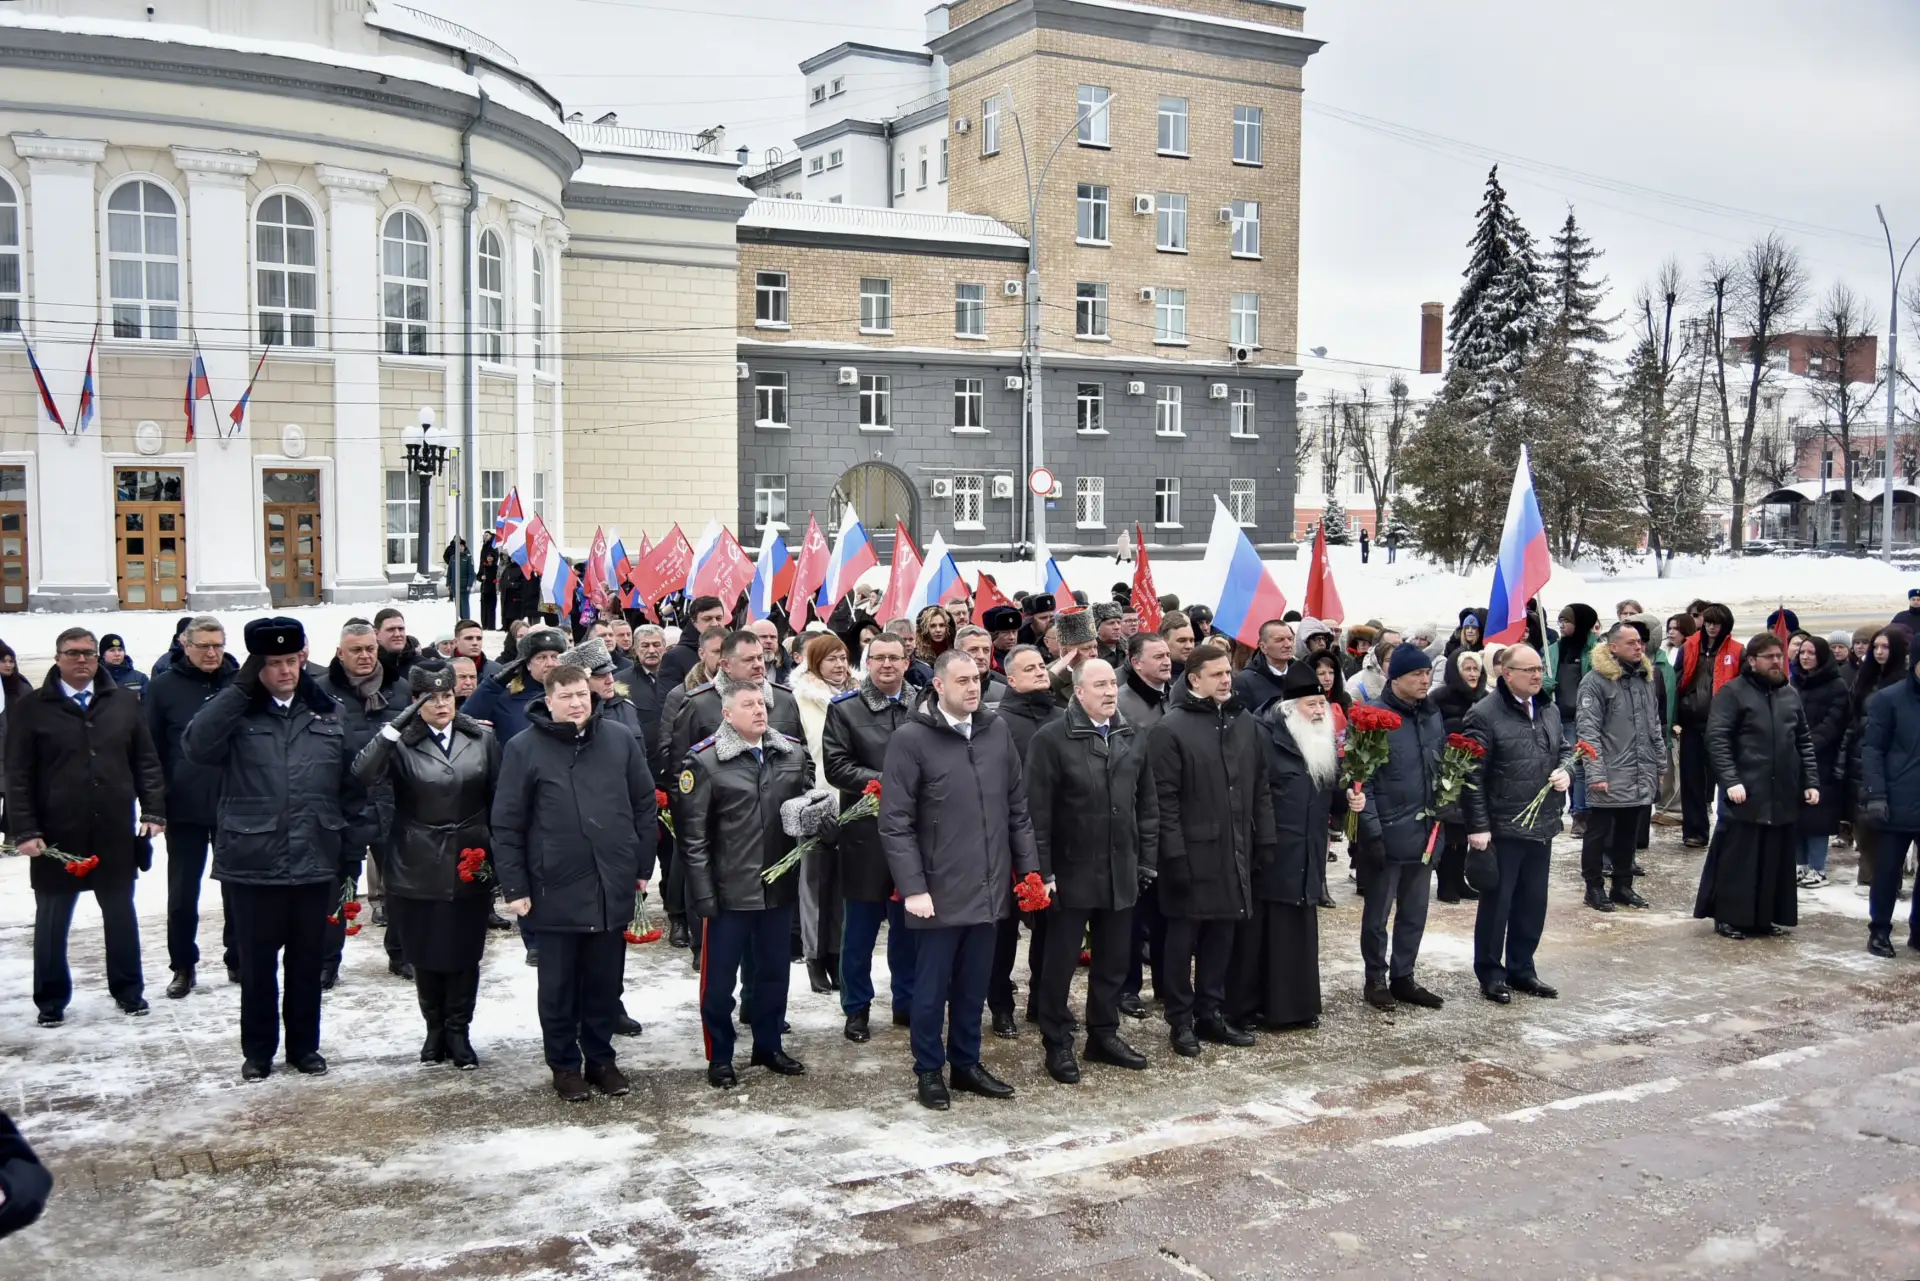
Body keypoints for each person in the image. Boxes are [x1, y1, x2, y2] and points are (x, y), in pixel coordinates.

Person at [183, 617, 372, 1079]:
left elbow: (351, 786)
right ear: (256, 667)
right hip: (254, 859)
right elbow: (196, 746)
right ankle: (258, 1051)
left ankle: (304, 1048)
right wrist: (238, 690)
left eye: (292, 660)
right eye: (273, 663)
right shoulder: (235, 712)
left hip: (315, 856)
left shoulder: (327, 712)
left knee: (307, 962)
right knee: (257, 965)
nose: (285, 671)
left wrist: (350, 848)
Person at [880, 649, 1039, 1111]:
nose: (973, 688)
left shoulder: (995, 729)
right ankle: (929, 1069)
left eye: (977, 679)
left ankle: (966, 1063)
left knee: (974, 985)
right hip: (937, 889)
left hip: (989, 885)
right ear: (938, 686)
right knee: (931, 991)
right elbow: (895, 822)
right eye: (963, 680)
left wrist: (1028, 871)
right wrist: (913, 887)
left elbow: (1016, 807)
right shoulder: (911, 739)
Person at [492, 662, 657, 1102]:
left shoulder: (618, 739)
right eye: (565, 696)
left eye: (582, 694)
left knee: (604, 982)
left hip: (611, 880)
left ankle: (601, 1060)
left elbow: (644, 803)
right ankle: (564, 1066)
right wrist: (515, 887)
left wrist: (641, 865)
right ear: (548, 701)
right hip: (554, 885)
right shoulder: (524, 747)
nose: (576, 703)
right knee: (559, 987)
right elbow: (506, 822)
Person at [6, 627, 166, 1026]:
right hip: (56, 835)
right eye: (73, 653)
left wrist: (153, 811)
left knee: (120, 914)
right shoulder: (31, 708)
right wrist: (24, 830)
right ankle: (50, 1000)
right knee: (52, 919)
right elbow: (17, 774)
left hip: (113, 829)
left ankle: (128, 989)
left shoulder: (123, 702)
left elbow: (145, 761)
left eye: (89, 653)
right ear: (57, 658)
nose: (82, 660)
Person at [351, 663, 501, 1069]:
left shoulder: (481, 738)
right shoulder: (400, 741)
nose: (441, 705)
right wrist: (392, 730)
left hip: (470, 856)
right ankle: (435, 1030)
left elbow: (499, 798)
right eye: (430, 699)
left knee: (465, 951)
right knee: (425, 949)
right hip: (416, 858)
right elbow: (362, 774)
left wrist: (498, 856)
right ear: (415, 703)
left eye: (447, 696)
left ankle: (459, 1030)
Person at [681, 683, 827, 1088]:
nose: (759, 710)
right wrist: (703, 894)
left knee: (773, 975)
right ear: (727, 714)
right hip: (729, 891)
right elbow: (694, 838)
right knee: (719, 983)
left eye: (762, 703)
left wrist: (823, 825)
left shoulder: (790, 752)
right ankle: (720, 1056)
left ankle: (768, 1045)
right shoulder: (705, 761)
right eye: (748, 705)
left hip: (778, 887)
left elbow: (805, 806)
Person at [1024, 659, 1156, 1084]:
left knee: (1114, 960)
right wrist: (1043, 873)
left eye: (1112, 683)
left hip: (1121, 868)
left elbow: (1147, 805)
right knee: (1059, 964)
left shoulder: (1132, 735)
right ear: (1078, 692)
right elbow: (1036, 814)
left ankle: (1103, 1033)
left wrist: (1146, 860)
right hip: (1070, 871)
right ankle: (1057, 1040)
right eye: (1099, 685)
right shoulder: (1051, 740)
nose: (1110, 691)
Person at [1148, 641, 1276, 1053]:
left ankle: (1210, 1013)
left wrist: (1265, 837)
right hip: (1191, 852)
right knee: (1182, 940)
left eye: (1228, 673)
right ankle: (1180, 1020)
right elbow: (1163, 801)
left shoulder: (1245, 722)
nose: (1225, 680)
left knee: (1222, 935)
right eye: (1216, 674)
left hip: (1235, 849)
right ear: (1194, 679)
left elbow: (1260, 786)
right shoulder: (1171, 728)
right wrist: (1173, 856)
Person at [1232, 663, 1354, 1031]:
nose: (1318, 712)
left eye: (1322, 704)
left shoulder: (1320, 739)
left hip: (1308, 851)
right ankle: (1248, 1008)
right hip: (1272, 852)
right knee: (1262, 935)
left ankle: (1295, 1008)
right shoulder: (1264, 737)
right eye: (1311, 705)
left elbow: (1330, 793)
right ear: (1289, 708)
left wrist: (1350, 798)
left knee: (1298, 932)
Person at [821, 632, 918, 1041]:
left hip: (913, 836)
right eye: (878, 658)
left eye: (894, 658)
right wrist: (886, 781)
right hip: (865, 836)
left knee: (909, 927)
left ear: (906, 661)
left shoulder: (924, 704)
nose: (887, 665)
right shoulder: (845, 708)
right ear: (867, 662)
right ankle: (856, 1007)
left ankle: (907, 1002)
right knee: (859, 933)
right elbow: (836, 766)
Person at [1462, 644, 1569, 1004]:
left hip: (1542, 823)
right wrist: (1478, 827)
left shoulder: (1548, 707)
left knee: (1532, 902)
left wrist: (1566, 770)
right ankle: (1491, 973)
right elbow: (1472, 775)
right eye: (1529, 670)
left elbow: (1563, 747)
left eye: (1539, 669)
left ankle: (1522, 968)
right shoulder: (1484, 714)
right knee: (1498, 904)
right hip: (1504, 825)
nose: (1538, 675)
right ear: (1506, 674)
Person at [1694, 634, 1816, 940]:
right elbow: (1717, 739)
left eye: (1779, 656)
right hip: (1746, 790)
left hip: (1782, 792)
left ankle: (1764, 917)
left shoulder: (1789, 694)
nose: (1777, 661)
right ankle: (1728, 916)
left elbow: (1803, 741)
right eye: (1769, 657)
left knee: (1773, 859)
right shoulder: (1733, 693)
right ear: (1752, 661)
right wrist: (1731, 779)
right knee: (1740, 859)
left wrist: (1810, 781)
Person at [146, 616, 239, 998]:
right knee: (183, 893)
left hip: (234, 803)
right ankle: (183, 965)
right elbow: (150, 751)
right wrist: (154, 804)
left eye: (218, 644)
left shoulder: (240, 683)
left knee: (238, 889)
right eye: (203, 646)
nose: (212, 652)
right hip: (183, 806)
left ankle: (239, 958)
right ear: (185, 646)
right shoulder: (163, 687)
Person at [1352, 644, 1447, 1011]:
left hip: (1425, 833)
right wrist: (1373, 831)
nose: (1425, 680)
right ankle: (1375, 978)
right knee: (1378, 914)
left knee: (1414, 911)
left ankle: (1404, 976)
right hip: (1388, 832)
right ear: (1395, 678)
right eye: (1416, 674)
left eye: (1427, 673)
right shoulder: (1374, 718)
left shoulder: (1432, 715)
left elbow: (1439, 767)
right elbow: (1362, 780)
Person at [321, 622, 412, 982]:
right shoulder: (321, 692)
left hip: (393, 802)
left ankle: (402, 954)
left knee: (402, 885)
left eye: (370, 649)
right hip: (345, 805)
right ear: (339, 653)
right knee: (339, 887)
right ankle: (327, 961)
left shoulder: (400, 689)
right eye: (355, 650)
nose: (364, 656)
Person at [986, 643, 1061, 1035]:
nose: (1040, 671)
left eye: (1042, 666)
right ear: (1010, 680)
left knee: (1051, 925)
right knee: (1003, 928)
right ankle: (1000, 1005)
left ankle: (1042, 1001)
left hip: (1052, 837)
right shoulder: (995, 723)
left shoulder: (1064, 717)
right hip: (1006, 838)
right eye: (1029, 668)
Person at [1576, 622, 1665, 913]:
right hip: (1609, 771)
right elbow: (1588, 731)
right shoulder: (1595, 681)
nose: (1639, 647)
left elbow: (1654, 724)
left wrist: (1659, 763)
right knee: (1599, 832)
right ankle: (1594, 887)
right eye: (1631, 643)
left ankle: (1623, 885)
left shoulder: (1645, 678)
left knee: (1629, 831)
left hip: (1639, 769)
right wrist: (1596, 772)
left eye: (1640, 642)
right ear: (1613, 646)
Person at [792, 632, 856, 992]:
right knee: (816, 885)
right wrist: (811, 801)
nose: (839, 665)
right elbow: (800, 755)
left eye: (843, 657)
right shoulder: (800, 700)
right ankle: (814, 957)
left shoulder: (857, 696)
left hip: (854, 802)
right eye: (831, 658)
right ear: (815, 663)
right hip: (818, 801)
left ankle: (836, 954)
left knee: (844, 887)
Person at [1858, 642, 1920, 958]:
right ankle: (1879, 931)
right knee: (1887, 872)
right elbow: (1873, 750)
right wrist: (1877, 795)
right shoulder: (1889, 699)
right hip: (1895, 801)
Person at [1675, 604, 1743, 848]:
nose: (1712, 627)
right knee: (1691, 779)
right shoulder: (1689, 646)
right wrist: (1674, 718)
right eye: (1709, 622)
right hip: (1692, 721)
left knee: (1727, 777)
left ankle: (1730, 830)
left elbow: (1743, 687)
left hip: (1723, 725)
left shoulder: (1737, 650)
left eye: (1717, 623)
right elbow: (1676, 681)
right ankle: (1695, 831)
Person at [1850, 627, 1912, 892]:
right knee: (1863, 821)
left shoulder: (1905, 683)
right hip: (1861, 756)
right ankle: (1869, 876)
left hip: (1894, 759)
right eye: (1875, 647)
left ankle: (1889, 882)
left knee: (1890, 824)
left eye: (1885, 647)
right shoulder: (1865, 678)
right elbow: (1852, 717)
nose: (1878, 652)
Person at [1793, 636, 1851, 888]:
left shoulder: (1836, 685)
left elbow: (1833, 723)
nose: (1805, 657)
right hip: (1794, 756)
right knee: (1796, 813)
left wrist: (1806, 744)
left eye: (1811, 653)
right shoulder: (1795, 682)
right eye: (1802, 652)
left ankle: (1818, 868)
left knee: (1817, 816)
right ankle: (1800, 864)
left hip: (1823, 759)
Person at [1432, 649, 1489, 903]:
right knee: (1450, 828)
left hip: (1476, 770)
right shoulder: (1439, 698)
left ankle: (1459, 879)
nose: (1473, 674)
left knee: (1467, 827)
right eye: (1467, 669)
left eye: (1476, 669)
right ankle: (1446, 882)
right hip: (1449, 768)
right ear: (1456, 672)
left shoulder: (1486, 699)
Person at [463, 626, 569, 744]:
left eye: (555, 657)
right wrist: (493, 685)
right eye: (542, 657)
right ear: (527, 664)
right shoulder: (506, 699)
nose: (550, 663)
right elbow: (467, 719)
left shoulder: (573, 694)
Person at [1232, 620, 1297, 709]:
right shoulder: (1244, 681)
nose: (1288, 645)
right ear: (1263, 647)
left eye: (1290, 639)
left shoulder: (1304, 673)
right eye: (1279, 640)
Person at [372, 607, 420, 683]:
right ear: (376, 634)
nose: (397, 634)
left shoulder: (421, 666)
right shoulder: (369, 667)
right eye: (391, 629)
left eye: (401, 629)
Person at [98, 633, 150, 699]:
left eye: (120, 650)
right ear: (103, 655)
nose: (117, 654)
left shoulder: (140, 679)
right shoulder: (95, 678)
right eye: (112, 650)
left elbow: (147, 703)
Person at [1091, 603, 1127, 670]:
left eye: (1119, 622)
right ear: (1097, 628)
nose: (1117, 627)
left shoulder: (1128, 648)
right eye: (1111, 623)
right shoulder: (1091, 652)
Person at [477, 532, 500, 630]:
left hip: (492, 588)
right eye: (484, 535)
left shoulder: (493, 544)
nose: (485, 537)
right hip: (484, 588)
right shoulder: (484, 546)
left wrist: (496, 582)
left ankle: (491, 625)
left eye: (487, 535)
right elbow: (478, 575)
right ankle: (484, 624)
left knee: (491, 608)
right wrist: (481, 577)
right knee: (484, 607)